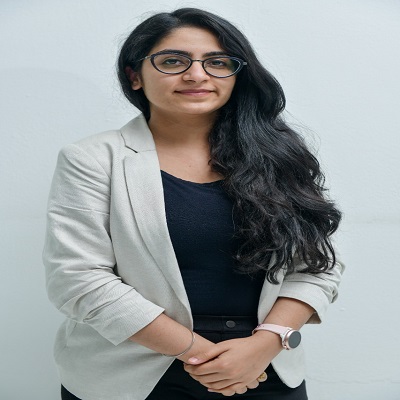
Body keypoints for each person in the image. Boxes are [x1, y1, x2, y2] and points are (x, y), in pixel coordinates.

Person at [43, 7, 344, 400]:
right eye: (173, 61)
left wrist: (266, 343)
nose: (197, 75)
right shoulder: (92, 159)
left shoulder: (279, 156)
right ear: (135, 76)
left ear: (237, 74)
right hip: (132, 374)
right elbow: (79, 280)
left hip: (263, 368)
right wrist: (201, 355)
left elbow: (317, 266)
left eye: (217, 62)